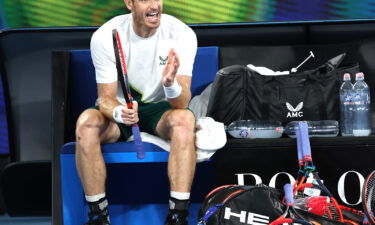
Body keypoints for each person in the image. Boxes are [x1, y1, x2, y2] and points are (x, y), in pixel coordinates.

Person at [74, 0, 197, 224]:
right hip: (120, 109)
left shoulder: (182, 34)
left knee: (185, 119)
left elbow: (182, 102)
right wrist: (121, 114)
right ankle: (98, 216)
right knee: (86, 123)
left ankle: (178, 215)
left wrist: (170, 84)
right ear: (129, 3)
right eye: (144, 0)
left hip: (162, 109)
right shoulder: (105, 36)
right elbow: (105, 98)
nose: (154, 5)